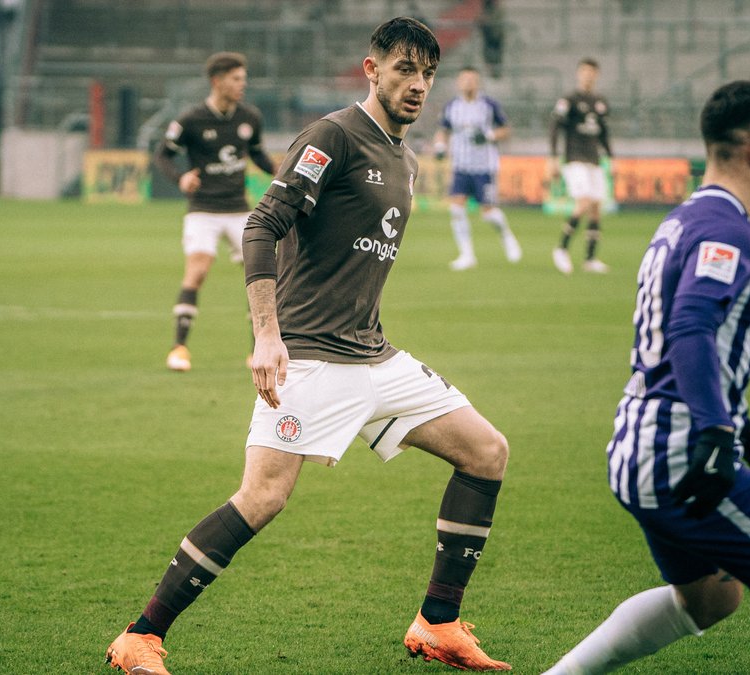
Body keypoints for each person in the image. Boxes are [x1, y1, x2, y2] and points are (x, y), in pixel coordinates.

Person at [107, 18, 513, 674]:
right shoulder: (334, 136)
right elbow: (262, 224)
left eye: (427, 73)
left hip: (375, 355)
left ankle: (438, 621)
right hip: (310, 355)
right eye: (404, 69)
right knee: (262, 497)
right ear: (372, 69)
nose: (417, 84)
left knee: (487, 452)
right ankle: (141, 635)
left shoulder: (406, 160)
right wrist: (267, 335)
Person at [544, 81, 750, 674]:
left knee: (710, 598)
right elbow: (691, 326)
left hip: (637, 445)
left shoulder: (684, 219)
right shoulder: (729, 230)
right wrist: (719, 432)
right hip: (680, 455)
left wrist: (746, 431)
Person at [153, 51, 275, 372]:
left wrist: (281, 171)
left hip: (239, 209)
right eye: (236, 79)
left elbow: (258, 155)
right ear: (217, 81)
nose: (242, 85)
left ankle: (257, 351)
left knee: (261, 274)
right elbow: (163, 155)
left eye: (243, 79)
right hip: (203, 209)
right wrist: (181, 177)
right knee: (198, 271)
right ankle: (179, 348)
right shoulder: (191, 120)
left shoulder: (250, 117)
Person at [432, 66, 521, 271]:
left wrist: (489, 136)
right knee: (456, 208)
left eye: (472, 79)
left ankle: (506, 235)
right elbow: (443, 130)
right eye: (465, 79)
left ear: (478, 82)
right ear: (458, 82)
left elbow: (506, 130)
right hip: (461, 166)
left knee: (488, 212)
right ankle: (467, 255)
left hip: (484, 167)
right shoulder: (452, 106)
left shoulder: (489, 105)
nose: (468, 83)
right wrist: (439, 146)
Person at [548, 57, 612, 275]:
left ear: (597, 75)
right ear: (578, 73)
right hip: (574, 158)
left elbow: (604, 133)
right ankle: (561, 248)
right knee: (584, 201)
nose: (588, 75)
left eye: (591, 72)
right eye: (584, 71)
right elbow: (555, 127)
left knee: (596, 208)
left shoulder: (600, 102)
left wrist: (611, 158)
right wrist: (553, 158)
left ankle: (590, 259)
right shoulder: (569, 100)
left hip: (594, 159)